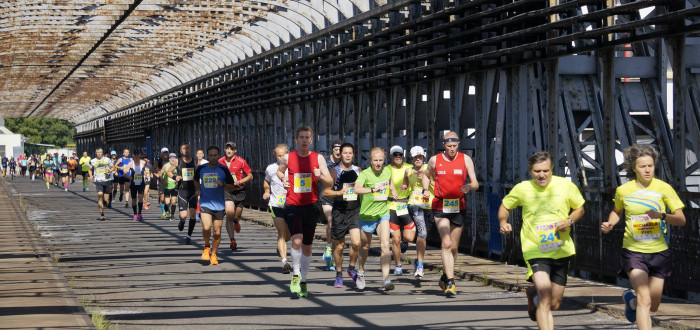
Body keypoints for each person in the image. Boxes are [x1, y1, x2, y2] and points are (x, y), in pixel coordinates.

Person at [601, 144, 686, 330]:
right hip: (633, 251)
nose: (647, 170)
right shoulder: (624, 191)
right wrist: (610, 223)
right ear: (634, 168)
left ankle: (631, 301)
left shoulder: (664, 188)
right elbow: (617, 211)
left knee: (653, 305)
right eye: (642, 166)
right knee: (645, 299)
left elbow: (681, 219)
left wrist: (662, 216)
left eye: (650, 165)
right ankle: (637, 302)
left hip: (659, 252)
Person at [499, 151, 585, 330]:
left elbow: (580, 208)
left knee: (554, 303)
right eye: (537, 171)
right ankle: (540, 298)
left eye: (545, 170)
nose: (541, 175)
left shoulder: (565, 186)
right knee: (545, 292)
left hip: (561, 249)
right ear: (530, 171)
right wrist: (503, 221)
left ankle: (534, 296)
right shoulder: (523, 188)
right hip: (535, 249)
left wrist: (569, 221)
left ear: (552, 169)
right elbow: (505, 206)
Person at [276, 126, 332, 297]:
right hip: (293, 205)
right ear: (296, 140)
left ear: (311, 140)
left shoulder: (318, 158)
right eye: (301, 137)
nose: (304, 140)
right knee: (297, 240)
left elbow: (329, 182)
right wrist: (284, 178)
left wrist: (320, 175)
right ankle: (295, 274)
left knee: (307, 246)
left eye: (307, 137)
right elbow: (279, 170)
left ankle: (304, 279)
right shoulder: (288, 157)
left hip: (311, 206)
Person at [422, 131, 479, 297]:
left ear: (458, 144)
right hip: (440, 205)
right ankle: (451, 282)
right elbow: (426, 176)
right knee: (446, 243)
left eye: (455, 146)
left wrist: (470, 186)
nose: (452, 149)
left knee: (453, 247)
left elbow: (475, 182)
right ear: (444, 145)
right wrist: (426, 189)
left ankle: (445, 275)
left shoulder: (465, 159)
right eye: (449, 146)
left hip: (458, 205)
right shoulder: (435, 160)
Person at [354, 147, 395, 291]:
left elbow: (390, 183)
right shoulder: (365, 174)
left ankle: (385, 279)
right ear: (370, 161)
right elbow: (356, 189)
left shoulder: (387, 171)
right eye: (375, 160)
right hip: (366, 216)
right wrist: (372, 190)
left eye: (381, 160)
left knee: (385, 245)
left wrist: (394, 192)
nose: (378, 163)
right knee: (365, 246)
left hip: (382, 213)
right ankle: (360, 271)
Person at [323, 142, 361, 288]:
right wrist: (339, 192)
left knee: (356, 243)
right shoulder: (334, 171)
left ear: (353, 154)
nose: (347, 155)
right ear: (341, 154)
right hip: (339, 211)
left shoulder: (358, 170)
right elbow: (326, 192)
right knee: (339, 246)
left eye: (350, 153)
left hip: (354, 210)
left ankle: (351, 269)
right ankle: (338, 273)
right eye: (345, 153)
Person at [194, 146, 235, 266]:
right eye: (211, 155)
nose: (213, 158)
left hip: (219, 205)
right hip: (205, 203)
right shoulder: (201, 168)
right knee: (206, 227)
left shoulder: (223, 169)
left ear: (218, 155)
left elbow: (231, 186)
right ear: (207, 156)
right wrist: (198, 189)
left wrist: (223, 185)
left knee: (217, 232)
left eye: (215, 155)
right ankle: (207, 247)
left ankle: (214, 254)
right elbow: (195, 180)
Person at [405, 145, 434, 279]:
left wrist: (427, 181)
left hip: (429, 205)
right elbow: (405, 184)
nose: (418, 159)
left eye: (420, 157)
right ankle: (420, 264)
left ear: (423, 157)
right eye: (415, 157)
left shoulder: (430, 168)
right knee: (422, 232)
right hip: (414, 204)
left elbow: (439, 184)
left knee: (424, 235)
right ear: (411, 158)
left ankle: (417, 260)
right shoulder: (408, 171)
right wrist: (404, 186)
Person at [218, 141, 253, 251]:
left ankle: (236, 221)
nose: (229, 151)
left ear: (235, 151)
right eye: (227, 148)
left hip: (240, 191)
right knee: (229, 214)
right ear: (225, 150)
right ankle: (232, 240)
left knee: (236, 216)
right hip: (227, 191)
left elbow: (250, 176)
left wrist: (239, 181)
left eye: (231, 149)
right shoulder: (220, 162)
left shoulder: (241, 161)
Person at [386, 145, 415, 276]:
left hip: (405, 205)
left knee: (409, 237)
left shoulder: (409, 168)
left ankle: (405, 241)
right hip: (391, 205)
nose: (398, 156)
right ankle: (398, 265)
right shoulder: (386, 170)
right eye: (395, 154)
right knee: (395, 239)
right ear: (391, 156)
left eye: (400, 154)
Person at [263, 144, 292, 274]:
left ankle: (281, 247)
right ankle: (284, 261)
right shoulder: (271, 168)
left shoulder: (293, 167)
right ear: (275, 156)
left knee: (288, 236)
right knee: (281, 233)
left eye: (283, 155)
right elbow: (266, 181)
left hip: (291, 204)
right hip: (276, 204)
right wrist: (267, 191)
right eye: (279, 156)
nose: (281, 158)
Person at [320, 139, 343, 270]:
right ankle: (328, 248)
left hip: (340, 198)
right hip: (327, 197)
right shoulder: (325, 162)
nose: (338, 152)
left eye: (340, 150)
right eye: (336, 150)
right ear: (332, 150)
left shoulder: (345, 162)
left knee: (338, 230)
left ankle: (333, 258)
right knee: (331, 221)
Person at [170, 143, 198, 244]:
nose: (186, 150)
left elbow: (199, 173)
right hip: (182, 191)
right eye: (184, 149)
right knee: (183, 216)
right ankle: (181, 222)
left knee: (193, 214)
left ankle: (188, 236)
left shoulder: (195, 161)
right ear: (180, 151)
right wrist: (175, 177)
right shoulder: (178, 161)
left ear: (190, 150)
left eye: (188, 148)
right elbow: (169, 172)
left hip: (192, 191)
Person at [89, 149, 115, 221]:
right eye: (98, 152)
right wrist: (91, 175)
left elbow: (113, 167)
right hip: (98, 181)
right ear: (96, 153)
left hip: (106, 180)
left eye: (100, 152)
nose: (99, 154)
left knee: (106, 199)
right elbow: (90, 169)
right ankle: (102, 214)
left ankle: (105, 202)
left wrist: (110, 170)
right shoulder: (93, 161)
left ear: (102, 153)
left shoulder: (107, 160)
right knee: (100, 195)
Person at [126, 151, 147, 221]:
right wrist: (129, 177)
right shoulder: (131, 163)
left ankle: (140, 213)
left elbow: (145, 170)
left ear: (140, 155)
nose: (137, 156)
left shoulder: (143, 163)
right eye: (135, 155)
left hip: (141, 183)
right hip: (133, 184)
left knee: (140, 198)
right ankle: (135, 214)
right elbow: (125, 173)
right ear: (133, 155)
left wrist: (146, 175)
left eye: (138, 155)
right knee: (134, 200)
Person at [161, 153, 179, 221]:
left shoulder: (177, 166)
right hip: (167, 186)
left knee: (174, 201)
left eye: (174, 158)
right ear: (169, 159)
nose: (172, 159)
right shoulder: (166, 165)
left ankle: (172, 216)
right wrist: (162, 180)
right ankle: (166, 208)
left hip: (174, 186)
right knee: (167, 202)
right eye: (171, 158)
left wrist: (178, 180)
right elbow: (161, 174)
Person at [155, 148, 170, 217]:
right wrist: (156, 173)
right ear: (161, 154)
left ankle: (168, 210)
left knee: (168, 198)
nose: (165, 154)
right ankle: (163, 212)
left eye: (166, 152)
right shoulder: (159, 161)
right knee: (162, 197)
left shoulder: (171, 160)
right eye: (164, 153)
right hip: (161, 181)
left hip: (169, 181)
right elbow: (154, 169)